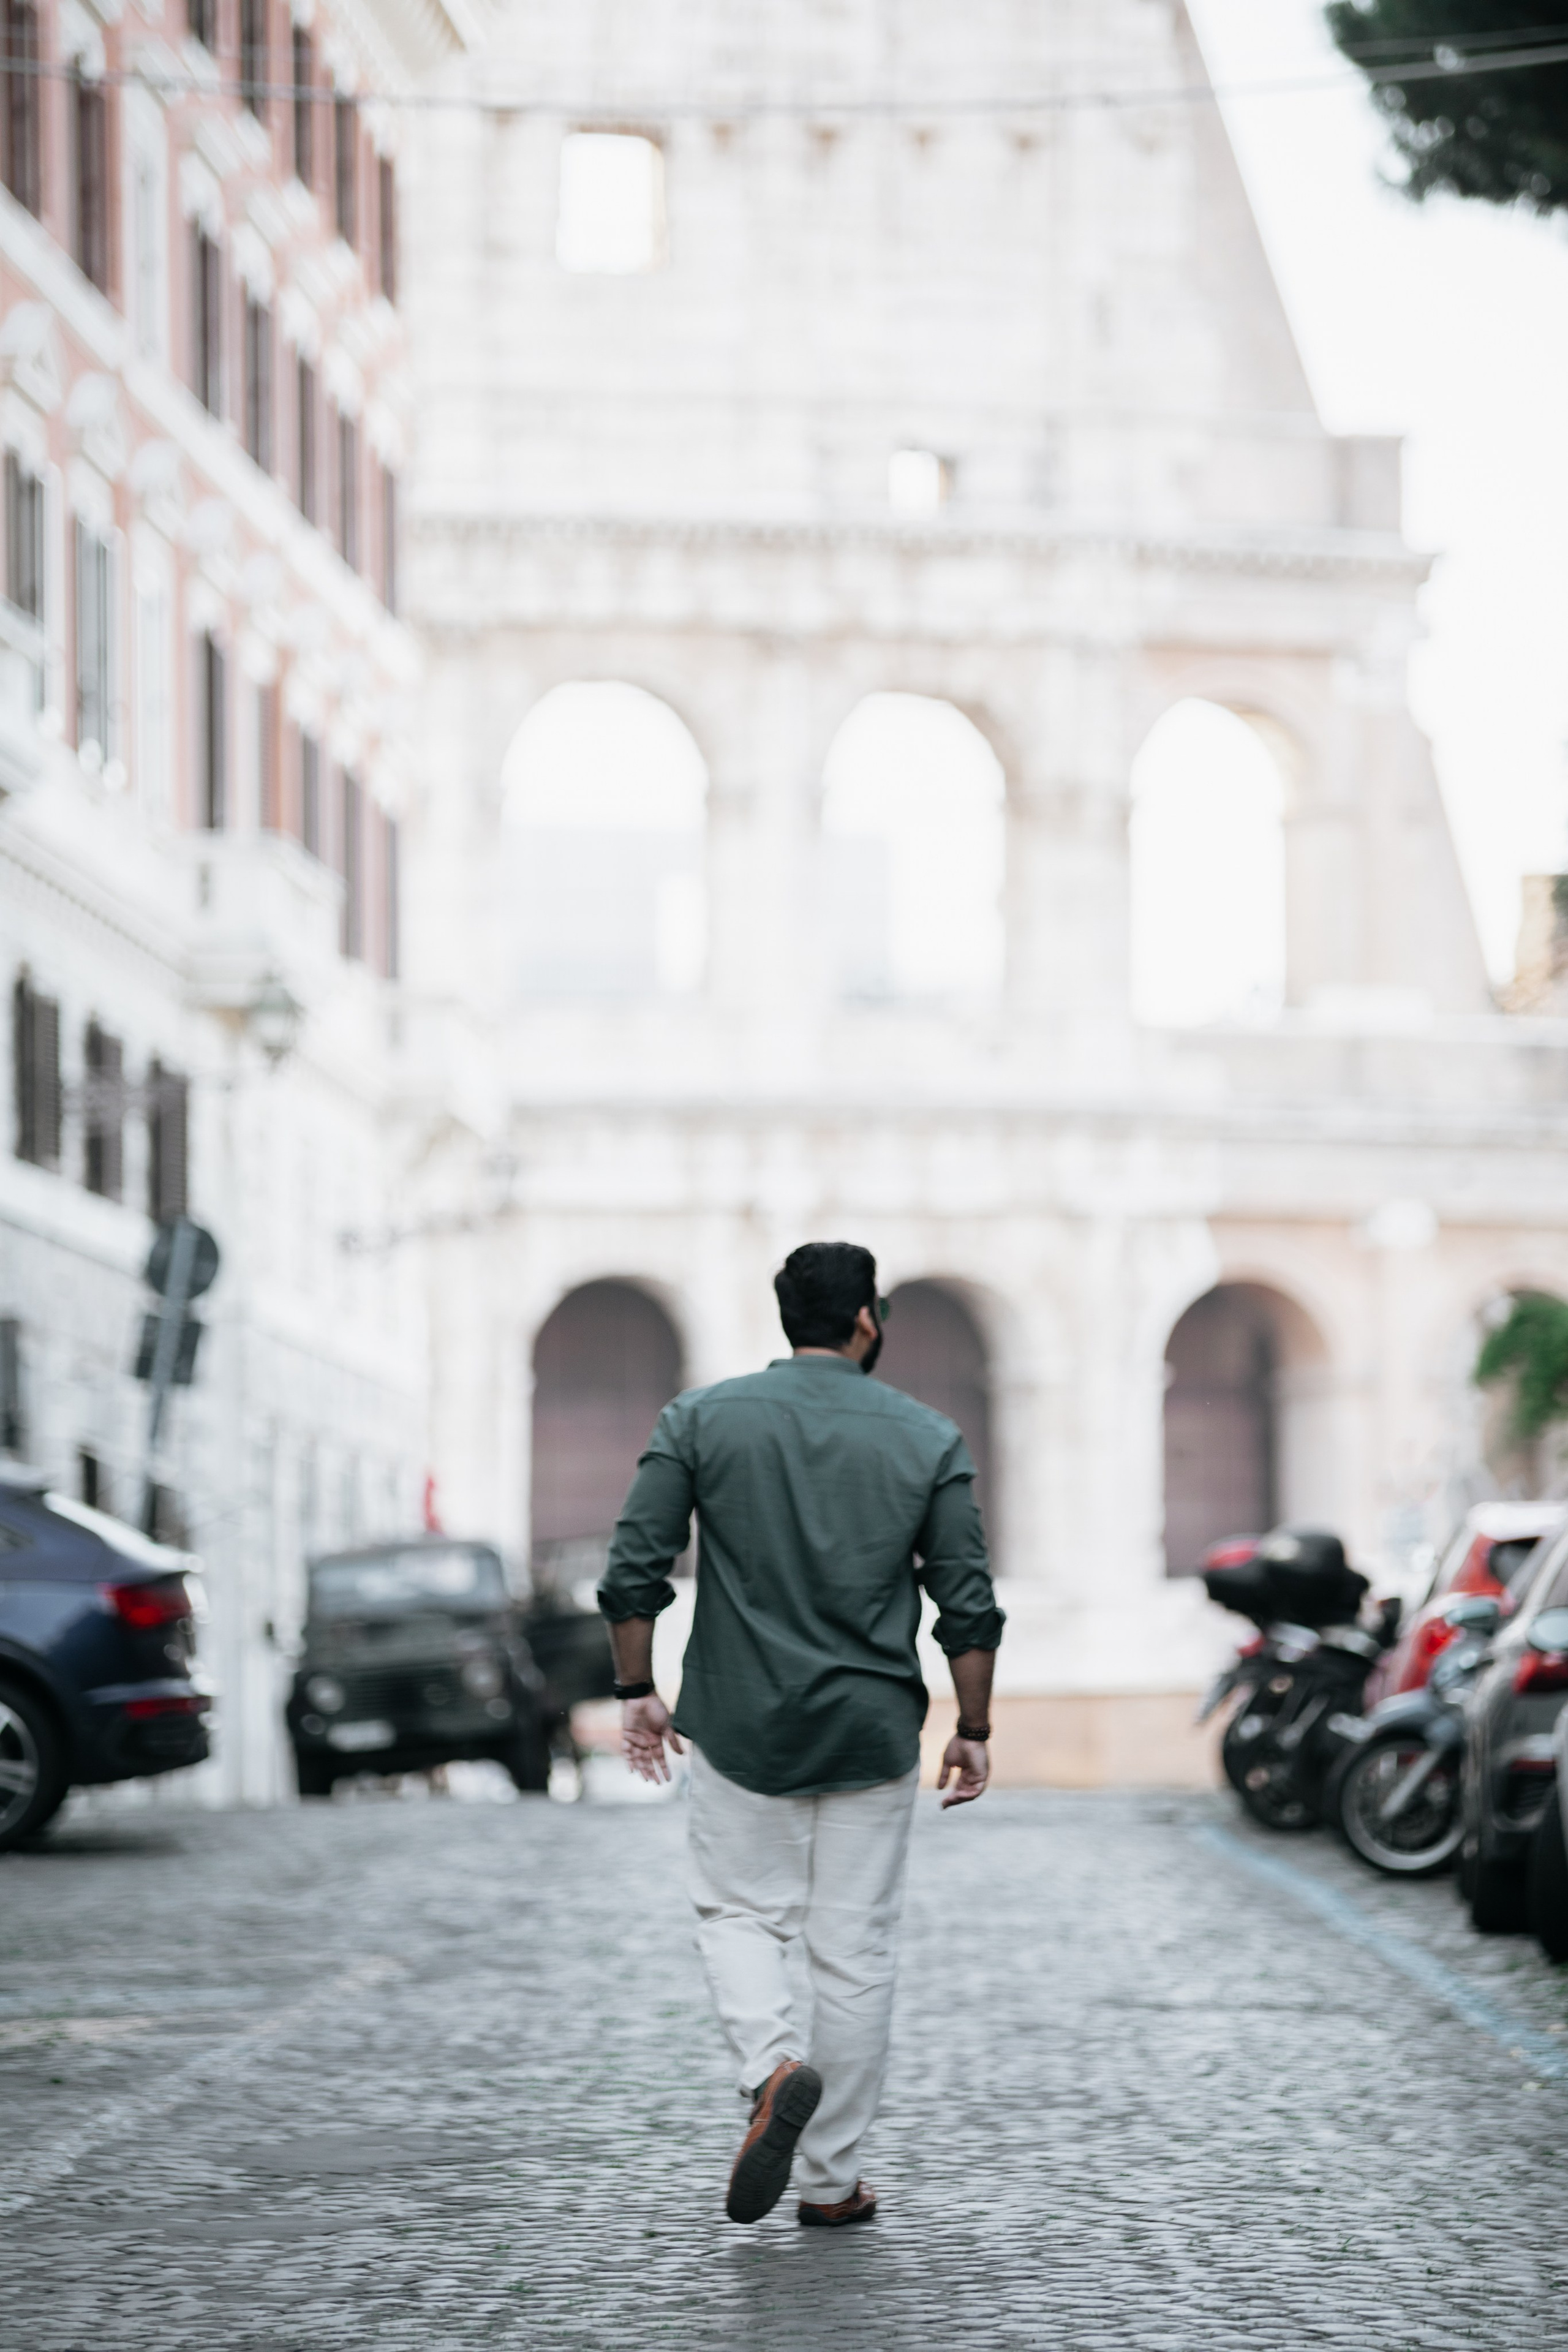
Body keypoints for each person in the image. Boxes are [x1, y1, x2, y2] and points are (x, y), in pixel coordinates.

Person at [597, 1240, 1005, 2228]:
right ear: (868, 1320)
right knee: (855, 1952)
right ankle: (827, 2183)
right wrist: (975, 1725)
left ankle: (771, 2066)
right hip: (868, 1730)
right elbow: (967, 1601)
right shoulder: (927, 1436)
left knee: (738, 1914)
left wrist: (636, 1688)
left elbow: (634, 1567)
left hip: (738, 1719)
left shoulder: (700, 1418)